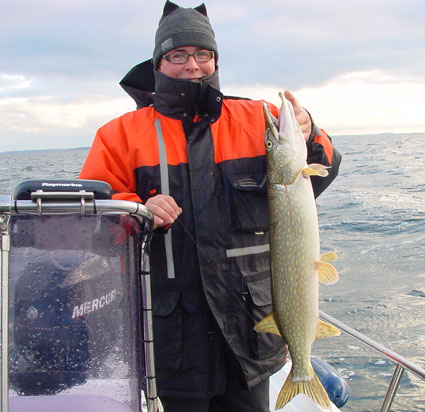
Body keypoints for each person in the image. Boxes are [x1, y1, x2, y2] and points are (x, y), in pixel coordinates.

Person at [79, 1, 342, 411]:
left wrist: (309, 129)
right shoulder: (118, 135)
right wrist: (139, 210)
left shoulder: (260, 118)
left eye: (203, 54)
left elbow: (321, 169)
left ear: (216, 59)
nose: (192, 65)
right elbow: (94, 216)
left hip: (249, 333)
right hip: (173, 336)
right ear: (158, 63)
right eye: (177, 55)